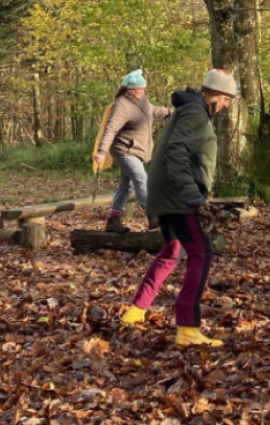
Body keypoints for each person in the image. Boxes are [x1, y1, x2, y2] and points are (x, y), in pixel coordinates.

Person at [119, 69, 237, 347]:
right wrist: (191, 195)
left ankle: (135, 311)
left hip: (166, 193)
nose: (227, 105)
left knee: (171, 250)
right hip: (177, 196)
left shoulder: (190, 109)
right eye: (227, 99)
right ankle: (187, 327)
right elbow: (176, 154)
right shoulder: (196, 114)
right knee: (201, 252)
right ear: (216, 95)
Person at [94, 70, 172, 232]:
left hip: (138, 150)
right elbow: (110, 129)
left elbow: (152, 110)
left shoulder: (142, 100)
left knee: (126, 185)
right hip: (124, 150)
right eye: (140, 89)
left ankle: (113, 220)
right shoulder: (121, 105)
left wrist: (170, 113)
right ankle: (153, 215)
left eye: (144, 89)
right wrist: (101, 151)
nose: (143, 92)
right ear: (130, 89)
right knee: (141, 178)